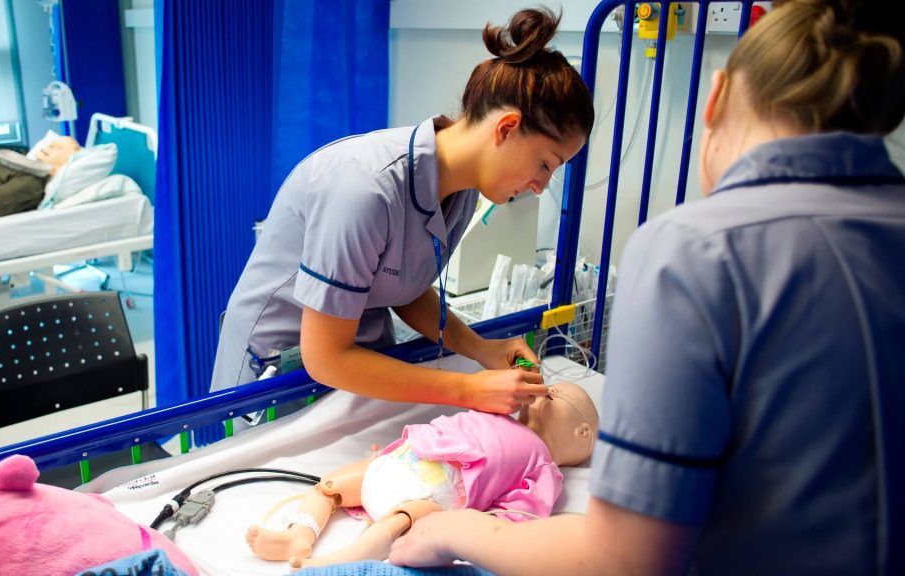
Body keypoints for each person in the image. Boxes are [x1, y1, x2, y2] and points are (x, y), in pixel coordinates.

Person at [375, 1, 905, 574]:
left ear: (717, 96)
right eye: (546, 165)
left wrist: (458, 530)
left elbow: (624, 555)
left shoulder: (697, 252)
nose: (539, 185)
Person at [211, 7, 594, 416]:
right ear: (506, 128)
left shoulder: (459, 189)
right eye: (545, 164)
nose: (540, 187)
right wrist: (469, 390)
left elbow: (403, 288)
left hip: (356, 361)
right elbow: (325, 356)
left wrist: (482, 348)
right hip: (277, 367)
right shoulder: (363, 188)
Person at [245, 381, 599, 569]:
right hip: (402, 459)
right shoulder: (502, 414)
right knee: (330, 486)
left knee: (399, 522)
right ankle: (298, 535)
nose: (545, 391)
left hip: (435, 493)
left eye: (555, 393)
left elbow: (522, 512)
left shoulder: (542, 465)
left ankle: (337, 561)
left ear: (582, 431)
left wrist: (485, 522)